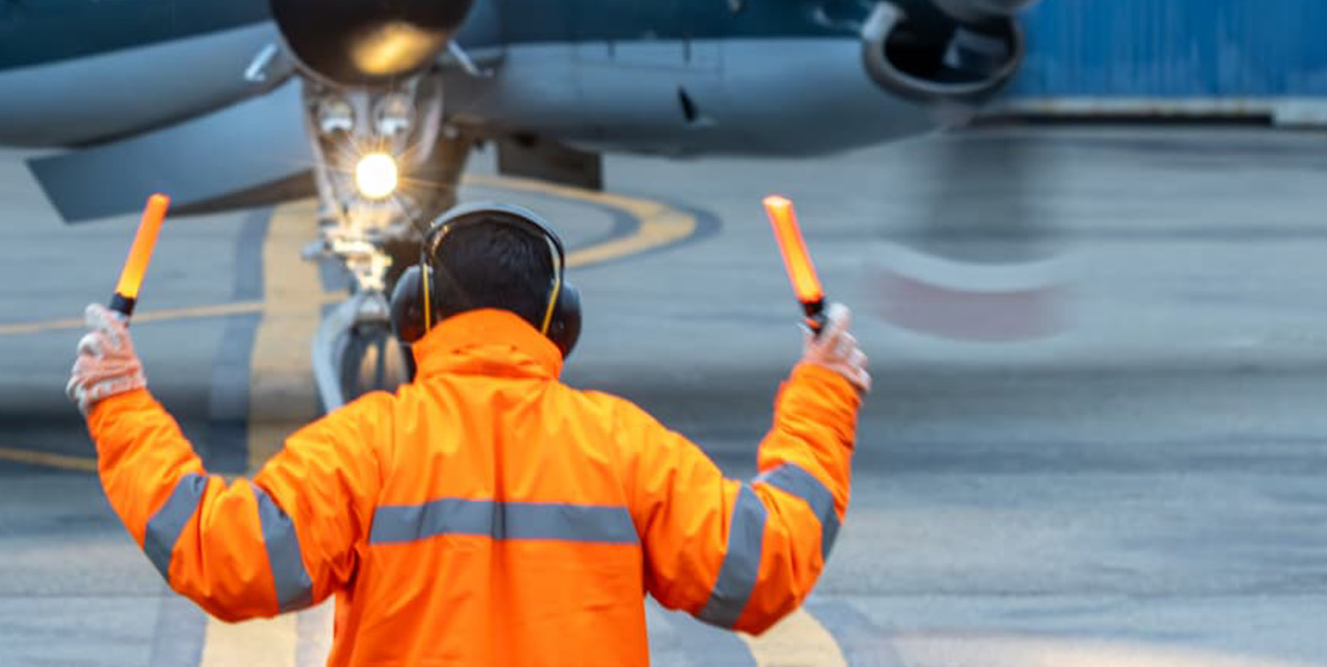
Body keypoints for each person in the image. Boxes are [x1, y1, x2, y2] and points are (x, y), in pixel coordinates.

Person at [69, 202, 868, 666]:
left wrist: (120, 402)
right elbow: (765, 566)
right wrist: (825, 395)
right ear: (562, 324)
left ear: (414, 314)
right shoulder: (623, 446)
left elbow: (223, 555)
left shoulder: (367, 444)